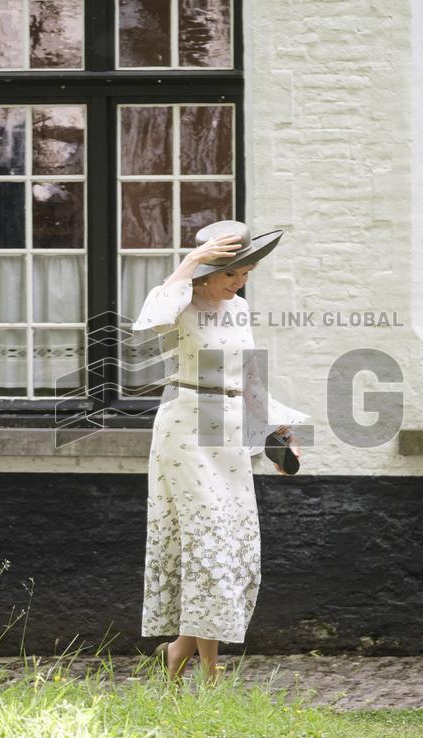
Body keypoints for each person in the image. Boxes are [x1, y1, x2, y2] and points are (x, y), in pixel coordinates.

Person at [130, 219, 309, 684]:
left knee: (226, 545)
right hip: (186, 425)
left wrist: (280, 431)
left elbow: (250, 380)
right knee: (206, 542)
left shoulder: (239, 309)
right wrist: (188, 263)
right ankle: (199, 666)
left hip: (227, 429)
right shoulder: (179, 303)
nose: (240, 281)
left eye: (246, 272)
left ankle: (190, 660)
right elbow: (146, 325)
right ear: (206, 272)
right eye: (232, 272)